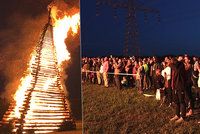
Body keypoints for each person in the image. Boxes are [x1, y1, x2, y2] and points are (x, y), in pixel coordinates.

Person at [170, 56, 187, 124]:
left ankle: (183, 117)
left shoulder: (181, 65)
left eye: (173, 61)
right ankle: (177, 115)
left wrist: (172, 64)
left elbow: (177, 70)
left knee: (182, 101)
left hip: (181, 86)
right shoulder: (175, 66)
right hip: (175, 86)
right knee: (176, 102)